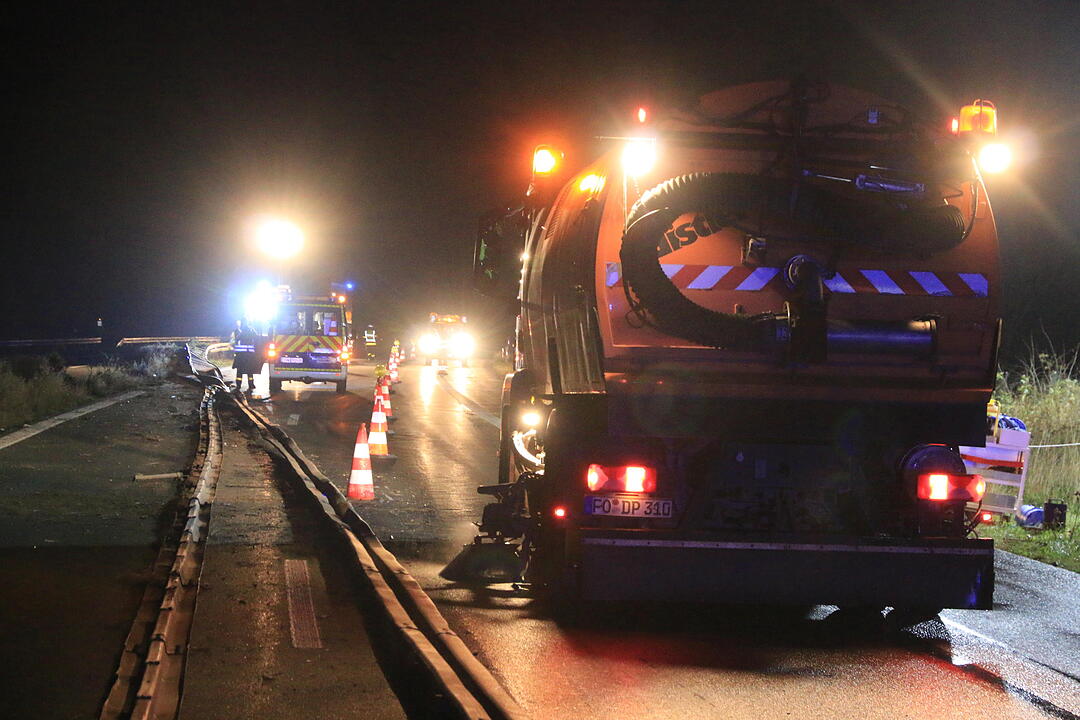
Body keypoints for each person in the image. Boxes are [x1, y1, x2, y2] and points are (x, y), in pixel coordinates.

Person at [230, 320, 262, 393]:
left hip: (240, 355)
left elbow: (234, 341)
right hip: (249, 355)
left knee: (239, 371)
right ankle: (251, 385)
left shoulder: (238, 331)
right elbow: (257, 339)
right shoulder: (251, 330)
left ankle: (238, 385)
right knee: (249, 370)